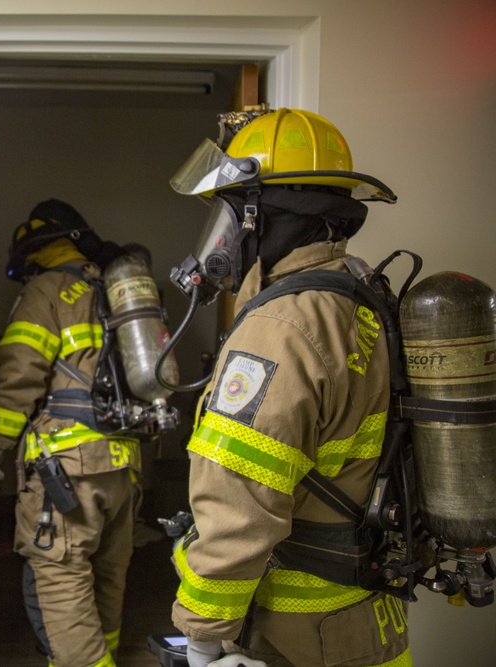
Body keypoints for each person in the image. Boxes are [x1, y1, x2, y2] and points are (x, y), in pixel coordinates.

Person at [165, 108, 412, 667]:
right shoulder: (365, 298)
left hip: (300, 637)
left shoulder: (281, 330)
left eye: (226, 212)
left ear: (259, 215)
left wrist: (202, 641)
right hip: (371, 622)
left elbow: (239, 505)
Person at [0, 198, 142, 667]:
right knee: (109, 574)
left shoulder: (47, 289)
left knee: (61, 577)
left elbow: (20, 371)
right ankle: (105, 655)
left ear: (35, 248)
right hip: (124, 462)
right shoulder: (116, 288)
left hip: (67, 467)